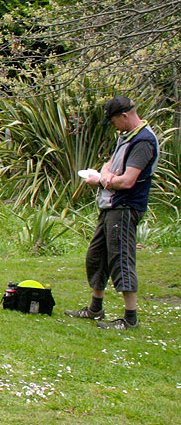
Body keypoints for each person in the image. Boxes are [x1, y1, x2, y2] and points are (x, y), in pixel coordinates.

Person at [65, 96, 159, 330]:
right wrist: (105, 175)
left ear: (124, 116)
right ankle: (95, 308)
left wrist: (101, 181)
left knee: (121, 259)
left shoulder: (143, 141)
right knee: (96, 256)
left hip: (125, 207)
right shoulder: (125, 136)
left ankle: (130, 319)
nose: (113, 125)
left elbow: (127, 181)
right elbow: (109, 164)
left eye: (114, 120)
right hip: (110, 206)